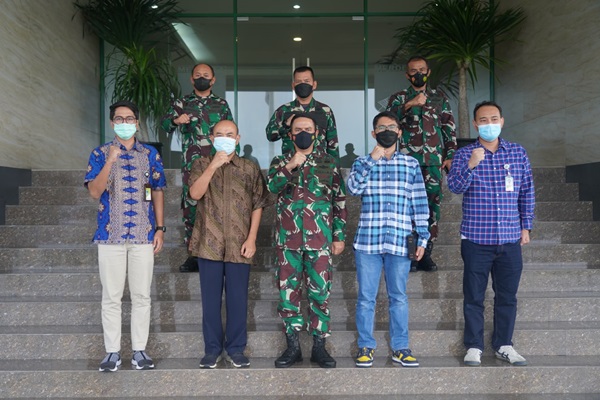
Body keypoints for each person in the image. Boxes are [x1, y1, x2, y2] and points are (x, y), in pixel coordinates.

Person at [447, 101, 535, 367]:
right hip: (476, 239)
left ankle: (504, 345)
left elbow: (526, 190)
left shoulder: (517, 153)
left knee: (507, 297)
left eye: (494, 119)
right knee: (474, 296)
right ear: (475, 124)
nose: (489, 124)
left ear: (502, 121)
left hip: (509, 238)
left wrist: (526, 226)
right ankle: (474, 346)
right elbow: (455, 187)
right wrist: (471, 165)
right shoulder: (464, 154)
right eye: (483, 120)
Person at [84, 100, 166, 372]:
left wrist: (160, 228)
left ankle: (139, 351)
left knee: (142, 296)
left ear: (137, 122)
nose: (124, 123)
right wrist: (110, 161)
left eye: (129, 118)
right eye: (119, 119)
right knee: (111, 296)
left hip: (143, 235)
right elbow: (94, 192)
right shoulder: (99, 153)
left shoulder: (150, 154)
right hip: (110, 236)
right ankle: (112, 353)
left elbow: (156, 190)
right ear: (112, 123)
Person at [347, 111, 430, 368]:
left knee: (399, 297)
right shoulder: (361, 162)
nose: (387, 131)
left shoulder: (411, 164)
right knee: (366, 298)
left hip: (399, 240)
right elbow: (353, 189)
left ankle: (400, 348)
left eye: (391, 127)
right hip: (368, 242)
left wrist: (423, 238)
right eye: (382, 127)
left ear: (399, 132)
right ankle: (365, 346)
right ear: (373, 133)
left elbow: (419, 202)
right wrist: (371, 160)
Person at [188, 120, 271, 369]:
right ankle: (212, 350)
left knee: (237, 300)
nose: (225, 137)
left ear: (238, 138)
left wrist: (252, 238)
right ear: (212, 138)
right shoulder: (200, 164)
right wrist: (213, 165)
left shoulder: (249, 167)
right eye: (220, 134)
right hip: (208, 243)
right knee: (210, 301)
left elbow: (258, 204)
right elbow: (194, 194)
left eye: (230, 134)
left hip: (240, 243)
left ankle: (236, 349)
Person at [266, 114, 347, 369]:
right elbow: (272, 188)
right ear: (290, 135)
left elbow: (339, 201)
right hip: (288, 241)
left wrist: (338, 236)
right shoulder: (280, 161)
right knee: (288, 294)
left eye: (308, 129)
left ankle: (319, 348)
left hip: (320, 240)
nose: (303, 132)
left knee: (319, 293)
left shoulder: (328, 162)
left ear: (316, 133)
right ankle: (293, 347)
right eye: (298, 129)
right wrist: (290, 165)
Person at [386, 56, 457, 272]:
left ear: (428, 72)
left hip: (433, 162)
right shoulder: (398, 98)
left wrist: (450, 155)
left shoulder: (439, 98)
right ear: (407, 75)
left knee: (432, 207)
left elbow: (448, 129)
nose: (418, 74)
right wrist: (409, 104)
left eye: (422, 70)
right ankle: (410, 255)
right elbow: (387, 123)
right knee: (407, 208)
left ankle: (425, 253)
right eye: (413, 71)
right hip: (407, 163)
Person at [161, 63, 233, 273]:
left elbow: (230, 131)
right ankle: (193, 254)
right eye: (198, 75)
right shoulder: (182, 103)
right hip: (191, 167)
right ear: (192, 79)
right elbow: (165, 125)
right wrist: (176, 120)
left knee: (218, 205)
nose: (202, 78)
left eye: (206, 75)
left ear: (213, 80)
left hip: (217, 164)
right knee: (191, 207)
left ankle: (219, 252)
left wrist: (230, 158)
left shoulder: (221, 104)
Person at [266, 66, 339, 159]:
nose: (303, 84)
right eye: (298, 82)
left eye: (306, 81)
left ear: (314, 84)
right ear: (293, 85)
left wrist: (334, 166)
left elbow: (333, 144)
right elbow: (270, 136)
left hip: (318, 165)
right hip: (291, 163)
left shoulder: (325, 111)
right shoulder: (283, 111)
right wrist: (285, 125)